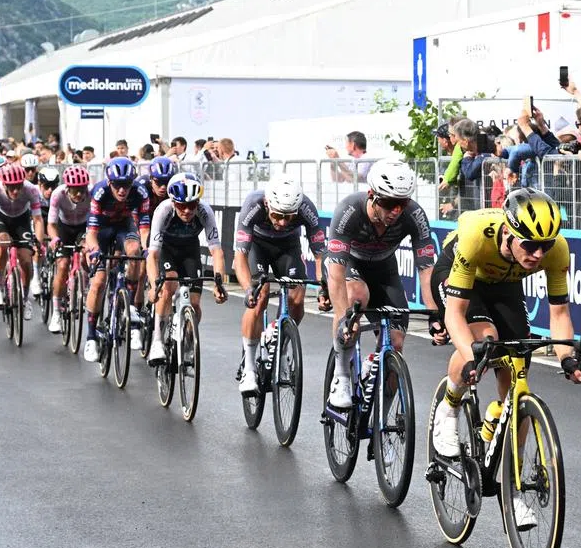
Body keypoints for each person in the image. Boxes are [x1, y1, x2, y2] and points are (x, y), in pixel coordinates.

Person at [431, 188, 581, 472]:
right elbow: (455, 314)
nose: (539, 254)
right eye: (529, 245)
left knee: (517, 369)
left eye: (546, 245)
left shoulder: (557, 251)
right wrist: (471, 358)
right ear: (507, 232)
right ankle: (449, 407)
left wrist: (567, 358)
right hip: (463, 276)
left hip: (506, 284)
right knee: (485, 340)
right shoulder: (476, 236)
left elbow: (560, 312)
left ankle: (513, 482)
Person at [325, 160, 439, 408]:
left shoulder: (414, 215)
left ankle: (382, 429)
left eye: (402, 203)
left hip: (385, 271)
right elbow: (335, 274)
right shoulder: (349, 211)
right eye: (388, 203)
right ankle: (342, 375)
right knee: (356, 298)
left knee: (396, 345)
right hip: (352, 266)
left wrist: (434, 313)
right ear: (372, 196)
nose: (396, 211)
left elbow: (426, 269)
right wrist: (344, 317)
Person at [234, 174, 327, 393]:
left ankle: (280, 340)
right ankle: (249, 368)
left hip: (288, 247)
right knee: (259, 296)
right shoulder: (253, 205)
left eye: (289, 217)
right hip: (257, 246)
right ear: (267, 204)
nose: (282, 222)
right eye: (277, 215)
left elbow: (321, 255)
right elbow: (239, 257)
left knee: (297, 298)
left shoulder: (306, 208)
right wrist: (248, 290)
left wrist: (325, 287)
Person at [145, 173, 228, 363]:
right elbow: (153, 255)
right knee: (168, 287)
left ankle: (189, 341)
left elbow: (217, 252)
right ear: (174, 202)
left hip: (190, 249)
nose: (187, 211)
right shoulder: (163, 210)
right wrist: (152, 286)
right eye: (182, 205)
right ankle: (157, 341)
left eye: (192, 205)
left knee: (195, 303)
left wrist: (218, 284)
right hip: (166, 248)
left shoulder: (205, 211)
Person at [82, 158, 152, 362]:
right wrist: (94, 252)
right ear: (109, 182)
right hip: (101, 229)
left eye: (126, 185)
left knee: (135, 250)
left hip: (125, 226)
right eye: (117, 186)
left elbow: (144, 229)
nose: (122, 191)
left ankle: (129, 305)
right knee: (99, 281)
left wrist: (147, 249)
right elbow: (92, 232)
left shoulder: (140, 192)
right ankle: (91, 336)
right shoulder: (99, 191)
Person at [0, 163, 46, 317]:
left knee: (26, 259)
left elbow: (38, 219)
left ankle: (24, 299)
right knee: (2, 243)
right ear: (3, 183)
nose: (16, 191)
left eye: (18, 186)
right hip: (1, 218)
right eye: (11, 187)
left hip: (21, 221)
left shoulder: (31, 189)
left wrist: (38, 242)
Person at [46, 165, 92, 333]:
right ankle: (56, 313)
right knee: (63, 265)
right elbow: (51, 224)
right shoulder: (58, 194)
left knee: (87, 254)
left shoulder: (92, 194)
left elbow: (97, 222)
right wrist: (55, 238)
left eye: (82, 189)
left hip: (83, 228)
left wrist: (90, 240)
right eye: (75, 190)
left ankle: (84, 287)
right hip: (63, 228)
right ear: (67, 188)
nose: (79, 194)